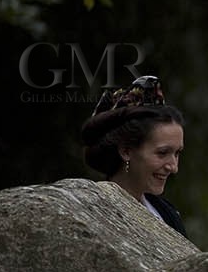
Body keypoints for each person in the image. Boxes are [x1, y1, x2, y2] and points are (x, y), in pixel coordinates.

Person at [80, 75, 187, 236]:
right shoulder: (94, 212)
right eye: (162, 153)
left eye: (177, 153)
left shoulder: (168, 215)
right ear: (126, 151)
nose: (173, 167)